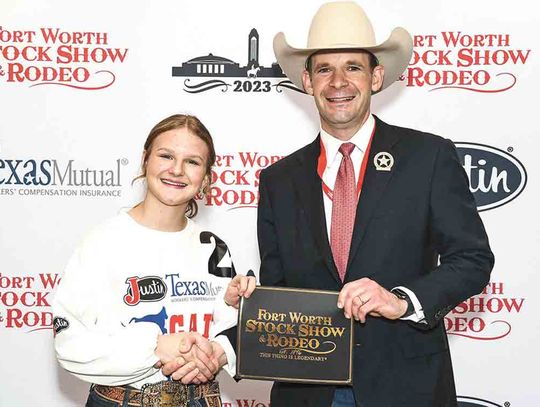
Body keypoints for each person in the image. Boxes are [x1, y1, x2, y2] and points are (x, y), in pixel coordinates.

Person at [257, 2, 494, 406]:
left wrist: (401, 300)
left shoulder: (429, 157)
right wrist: (251, 306)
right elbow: (280, 291)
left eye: (353, 67)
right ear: (307, 82)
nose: (338, 82)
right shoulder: (279, 180)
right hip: (308, 392)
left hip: (405, 387)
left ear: (376, 77)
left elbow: (472, 259)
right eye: (324, 69)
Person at [53, 114, 256, 406]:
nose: (177, 170)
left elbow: (231, 334)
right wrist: (155, 348)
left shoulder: (213, 248)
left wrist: (219, 347)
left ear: (206, 178)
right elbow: (69, 344)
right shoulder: (103, 242)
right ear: (145, 160)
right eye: (166, 156)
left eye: (192, 162)